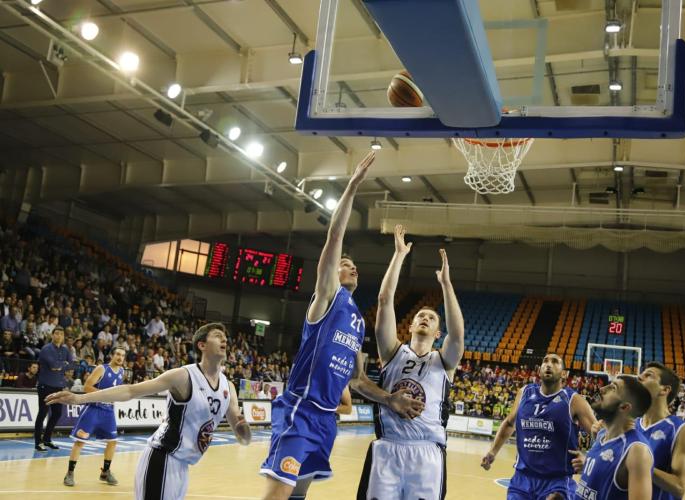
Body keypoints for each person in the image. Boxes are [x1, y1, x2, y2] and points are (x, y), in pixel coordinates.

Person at [259, 152, 425, 500]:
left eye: (353, 266)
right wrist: (352, 187)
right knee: (278, 494)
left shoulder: (356, 321)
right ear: (331, 272)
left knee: (298, 496)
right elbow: (334, 238)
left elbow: (357, 380)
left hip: (325, 421)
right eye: (345, 264)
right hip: (300, 410)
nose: (351, 267)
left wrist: (389, 398)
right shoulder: (326, 297)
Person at [46, 323, 252, 500]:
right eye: (218, 336)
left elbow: (240, 432)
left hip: (183, 466)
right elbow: (130, 390)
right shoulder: (183, 376)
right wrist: (80, 397)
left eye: (225, 337)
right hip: (162, 458)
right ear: (202, 345)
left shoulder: (228, 387)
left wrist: (246, 429)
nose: (224, 339)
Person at [357, 225, 464, 500]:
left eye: (431, 317)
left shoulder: (444, 360)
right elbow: (384, 301)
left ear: (438, 333)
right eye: (420, 316)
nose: (425, 318)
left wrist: (447, 285)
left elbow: (458, 332)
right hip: (388, 448)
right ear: (411, 325)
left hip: (427, 452)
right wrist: (399, 255)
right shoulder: (392, 352)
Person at [481, 353, 597, 500]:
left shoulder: (574, 400)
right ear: (539, 370)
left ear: (564, 373)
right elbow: (510, 423)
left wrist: (589, 460)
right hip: (522, 480)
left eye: (555, 362)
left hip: (557, 482)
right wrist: (492, 452)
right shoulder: (524, 393)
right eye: (545, 361)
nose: (548, 364)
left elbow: (602, 436)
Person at [574, 376, 653, 500]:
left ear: (624, 407)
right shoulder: (600, 435)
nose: (602, 389)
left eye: (613, 388)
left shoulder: (636, 450)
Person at [63, 347, 127, 487]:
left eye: (122, 355)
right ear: (112, 355)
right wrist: (105, 394)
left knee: (112, 441)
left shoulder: (122, 372)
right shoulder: (101, 369)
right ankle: (69, 473)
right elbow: (87, 387)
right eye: (117, 354)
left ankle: (105, 472)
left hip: (108, 411)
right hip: (93, 408)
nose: (120, 357)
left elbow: (117, 392)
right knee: (80, 441)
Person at [637, 362, 685, 499]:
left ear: (664, 390)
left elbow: (680, 487)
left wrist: (641, 466)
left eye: (648, 375)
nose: (639, 377)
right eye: (641, 374)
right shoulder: (631, 424)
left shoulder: (683, 430)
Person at [35, 327, 74, 451]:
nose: (59, 336)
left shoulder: (65, 349)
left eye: (61, 334)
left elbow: (72, 365)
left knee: (57, 413)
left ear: (63, 337)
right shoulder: (46, 349)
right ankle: (38, 442)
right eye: (56, 333)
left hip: (58, 386)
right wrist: (64, 364)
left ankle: (47, 439)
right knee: (42, 413)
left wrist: (62, 365)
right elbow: (53, 366)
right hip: (45, 385)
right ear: (52, 335)